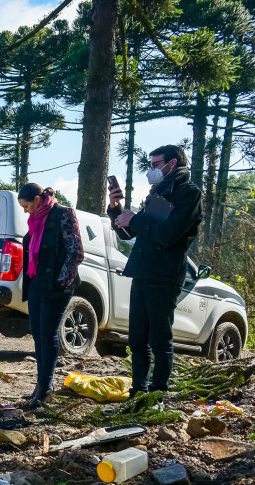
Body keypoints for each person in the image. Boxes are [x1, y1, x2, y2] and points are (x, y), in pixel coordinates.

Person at [108, 144, 202, 396]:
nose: (151, 170)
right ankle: (138, 391)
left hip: (165, 276)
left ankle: (158, 394)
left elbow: (168, 234)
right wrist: (116, 210)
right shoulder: (156, 193)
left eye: (156, 164)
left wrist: (136, 219)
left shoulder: (189, 194)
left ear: (172, 164)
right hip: (142, 272)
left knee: (160, 339)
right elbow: (133, 232)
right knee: (137, 339)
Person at [17, 183, 84, 409]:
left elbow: (75, 252)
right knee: (36, 333)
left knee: (48, 333)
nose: (25, 211)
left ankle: (46, 387)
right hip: (37, 283)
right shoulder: (35, 221)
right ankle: (40, 385)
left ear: (37, 199)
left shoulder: (63, 214)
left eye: (26, 206)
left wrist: (61, 282)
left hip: (57, 285)